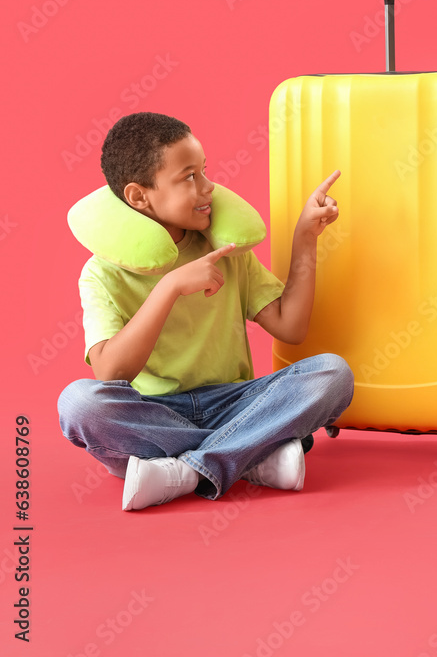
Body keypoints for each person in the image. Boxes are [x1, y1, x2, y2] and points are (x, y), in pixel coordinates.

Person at [57, 111, 354, 512]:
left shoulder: (226, 251)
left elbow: (291, 326)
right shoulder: (100, 273)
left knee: (332, 374)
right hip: (155, 414)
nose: (208, 186)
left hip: (236, 401)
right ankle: (250, 456)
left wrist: (305, 237)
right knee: (78, 403)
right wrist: (170, 287)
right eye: (188, 177)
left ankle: (186, 470)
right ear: (139, 196)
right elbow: (111, 373)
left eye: (204, 171)